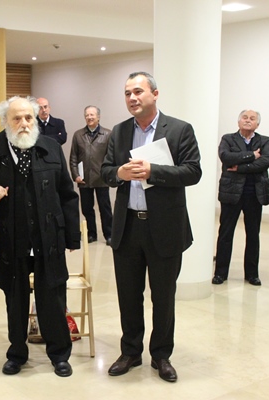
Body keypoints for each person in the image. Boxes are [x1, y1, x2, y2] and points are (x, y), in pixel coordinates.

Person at [101, 72, 202, 383]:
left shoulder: (180, 129)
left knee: (163, 296)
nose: (132, 98)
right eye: (127, 93)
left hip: (164, 227)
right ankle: (131, 351)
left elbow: (193, 171)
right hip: (128, 226)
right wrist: (119, 173)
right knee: (128, 295)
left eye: (138, 91)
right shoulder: (120, 131)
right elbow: (105, 171)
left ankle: (161, 355)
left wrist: (152, 171)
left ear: (155, 94)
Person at [0, 96, 80, 378]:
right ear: (5, 122)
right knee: (15, 300)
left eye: (29, 118)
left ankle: (60, 354)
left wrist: (72, 237)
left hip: (48, 238)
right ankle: (17, 354)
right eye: (17, 118)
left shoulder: (51, 147)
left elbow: (67, 194)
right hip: (11, 239)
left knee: (53, 297)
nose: (24, 123)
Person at [212, 110, 269, 286]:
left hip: (255, 193)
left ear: (257, 124)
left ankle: (252, 274)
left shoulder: (264, 140)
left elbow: (266, 161)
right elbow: (226, 157)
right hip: (231, 193)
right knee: (225, 233)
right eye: (244, 118)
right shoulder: (228, 139)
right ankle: (220, 273)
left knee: (253, 234)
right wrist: (252, 155)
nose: (248, 121)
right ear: (238, 122)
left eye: (252, 119)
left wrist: (240, 168)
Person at [69, 105, 113, 245]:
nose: (89, 117)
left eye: (92, 115)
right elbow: (73, 157)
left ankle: (109, 235)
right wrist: (75, 175)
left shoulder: (107, 134)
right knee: (87, 209)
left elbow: (111, 156)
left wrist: (108, 173)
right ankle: (91, 234)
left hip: (102, 178)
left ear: (98, 117)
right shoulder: (78, 135)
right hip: (84, 179)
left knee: (105, 209)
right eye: (87, 115)